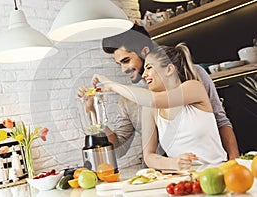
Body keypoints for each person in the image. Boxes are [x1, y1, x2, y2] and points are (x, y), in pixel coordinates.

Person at [78, 24, 239, 160]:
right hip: (166, 175)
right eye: (119, 63)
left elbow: (221, 120)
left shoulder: (192, 74)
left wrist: (234, 162)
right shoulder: (127, 99)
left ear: (144, 51)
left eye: (126, 60)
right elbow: (118, 148)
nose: (123, 69)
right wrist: (94, 114)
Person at [92, 43, 228, 170]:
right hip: (183, 179)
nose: (144, 75)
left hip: (218, 172)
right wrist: (174, 163)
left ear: (169, 69)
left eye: (149, 67)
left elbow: (155, 100)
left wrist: (112, 85)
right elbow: (149, 156)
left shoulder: (193, 87)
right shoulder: (149, 110)